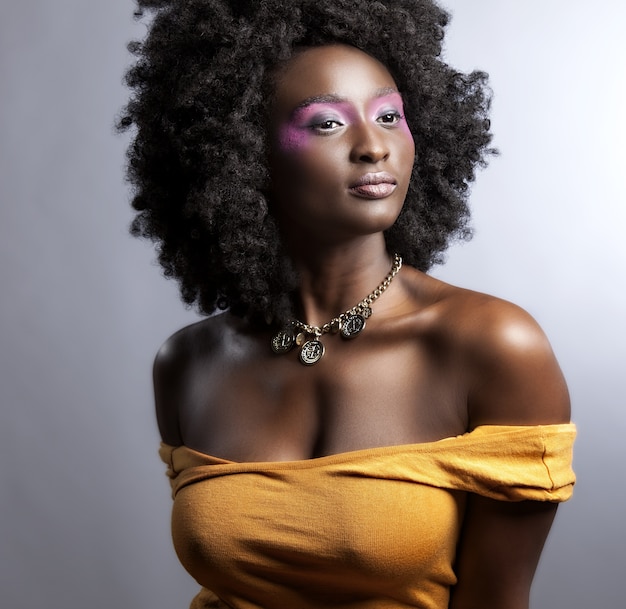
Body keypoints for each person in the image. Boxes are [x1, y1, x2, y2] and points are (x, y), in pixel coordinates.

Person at [119, 1, 576, 607]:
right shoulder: (187, 363)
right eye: (327, 123)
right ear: (239, 149)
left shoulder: (493, 346)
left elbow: (497, 597)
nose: (373, 146)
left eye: (389, 116)